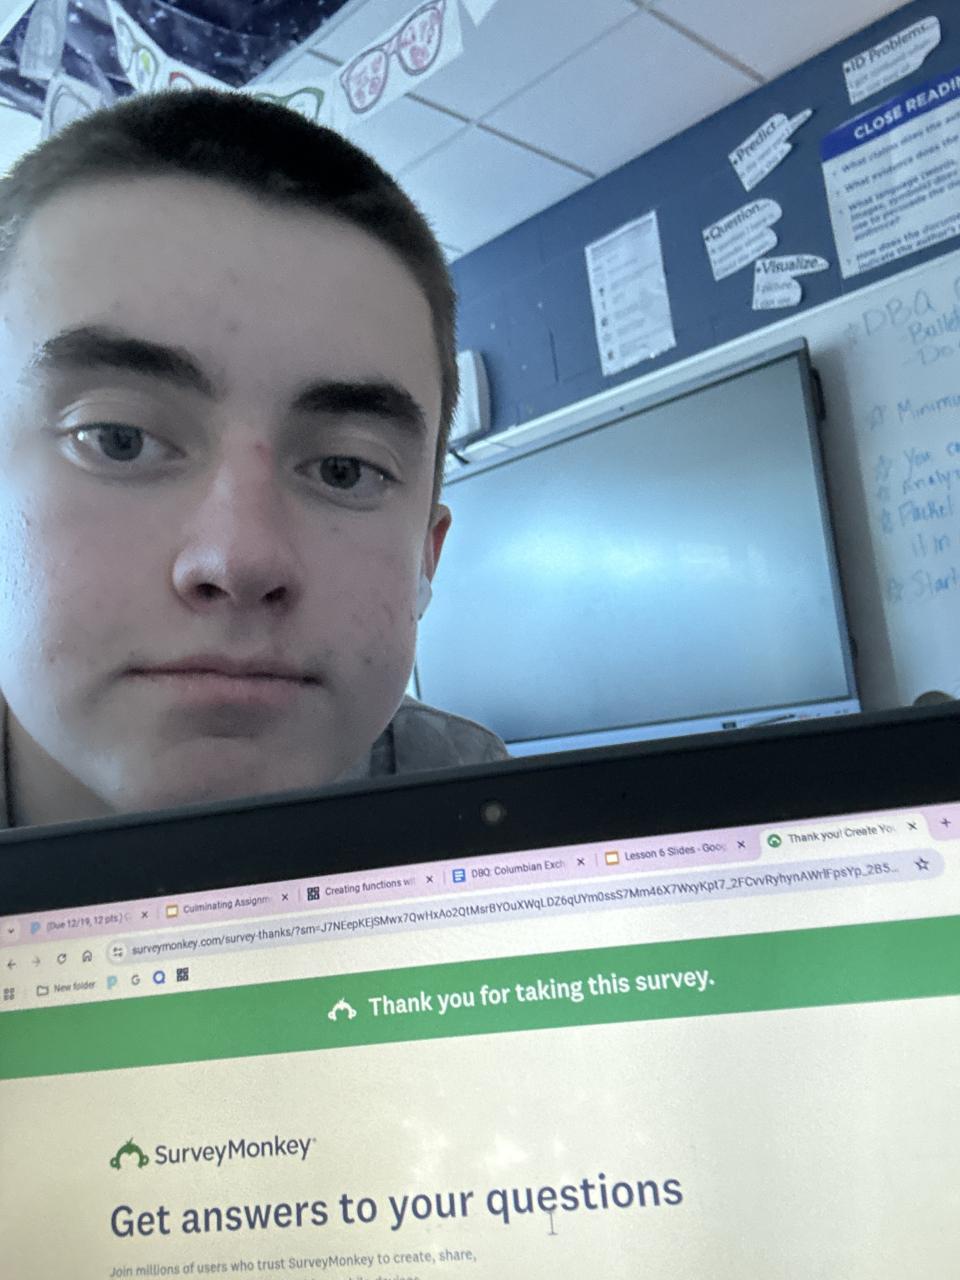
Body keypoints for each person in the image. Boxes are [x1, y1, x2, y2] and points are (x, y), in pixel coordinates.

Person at [0, 87, 507, 831]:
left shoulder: (472, 800)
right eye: (118, 438)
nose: (240, 560)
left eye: (344, 469)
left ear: (426, 561)